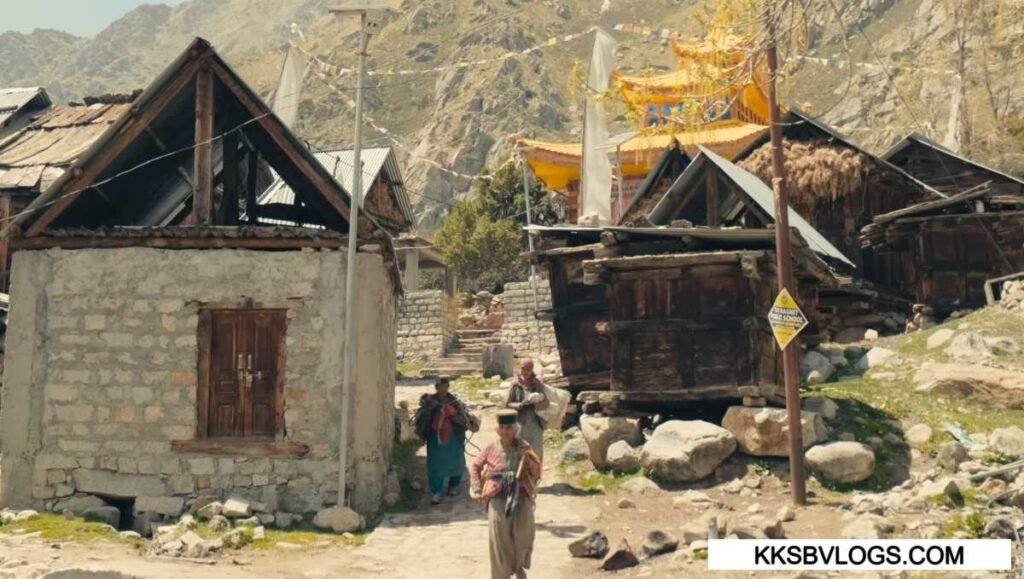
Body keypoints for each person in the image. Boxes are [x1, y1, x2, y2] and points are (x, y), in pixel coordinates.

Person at [470, 410, 542, 579]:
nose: (506, 431)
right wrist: (476, 488)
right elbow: (475, 466)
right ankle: (503, 574)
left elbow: (536, 470)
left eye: (509, 427)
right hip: (497, 497)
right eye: (502, 427)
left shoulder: (524, 446)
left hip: (521, 495)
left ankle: (518, 566)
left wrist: (529, 458)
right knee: (500, 541)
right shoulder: (490, 448)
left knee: (524, 534)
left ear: (515, 429)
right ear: (497, 429)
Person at [416, 376, 470, 505]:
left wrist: (452, 415)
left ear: (448, 387)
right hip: (435, 439)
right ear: (437, 387)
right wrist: (434, 411)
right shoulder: (429, 402)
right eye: (440, 386)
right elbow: (423, 420)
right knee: (435, 464)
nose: (443, 389)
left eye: (445, 386)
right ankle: (436, 491)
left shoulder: (455, 402)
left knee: (456, 461)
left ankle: (453, 486)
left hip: (454, 438)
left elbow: (464, 422)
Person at [503, 359, 549, 463]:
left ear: (532, 370)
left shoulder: (537, 384)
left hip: (534, 424)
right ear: (520, 368)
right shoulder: (515, 384)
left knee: (535, 454)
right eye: (523, 369)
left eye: (529, 369)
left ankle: (535, 477)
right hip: (518, 424)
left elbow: (546, 403)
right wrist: (520, 405)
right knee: (518, 453)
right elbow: (507, 404)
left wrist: (537, 403)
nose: (526, 372)